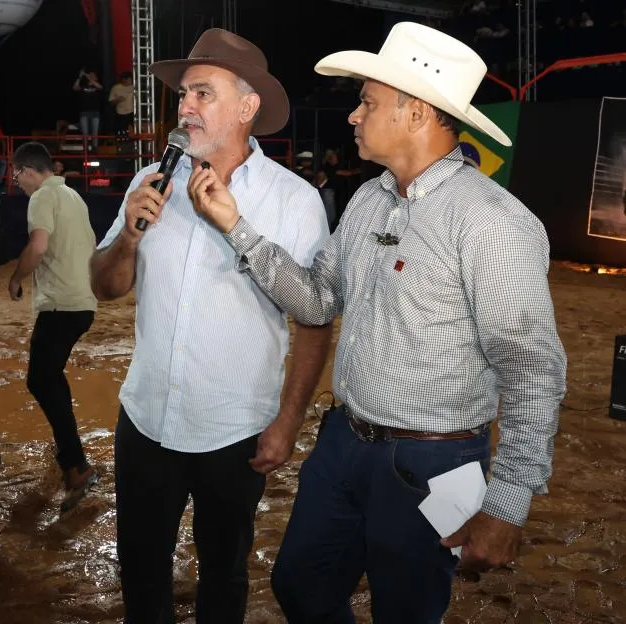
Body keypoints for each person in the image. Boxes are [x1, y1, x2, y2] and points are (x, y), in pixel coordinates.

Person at [233, 23, 566, 622]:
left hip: (434, 465)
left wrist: (509, 500)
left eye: (367, 101)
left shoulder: (491, 223)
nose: (354, 117)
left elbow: (532, 367)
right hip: (342, 444)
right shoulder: (367, 201)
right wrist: (237, 228)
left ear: (416, 112)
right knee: (300, 586)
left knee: (406, 613)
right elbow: (314, 302)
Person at [89, 29, 331, 623]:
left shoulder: (293, 200)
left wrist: (289, 420)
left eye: (203, 93)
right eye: (183, 95)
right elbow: (105, 285)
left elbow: (315, 319)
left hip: (236, 433)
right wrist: (127, 234)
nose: (185, 106)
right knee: (141, 571)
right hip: (146, 421)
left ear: (248, 108)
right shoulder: (150, 180)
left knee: (223, 575)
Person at [7, 141, 99, 512]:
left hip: (62, 304)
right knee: (49, 376)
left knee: (40, 379)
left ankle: (76, 465)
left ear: (29, 170)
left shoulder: (42, 197)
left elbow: (38, 246)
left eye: (17, 175)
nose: (16, 182)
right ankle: (67, 447)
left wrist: (15, 278)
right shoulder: (73, 196)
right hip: (82, 301)